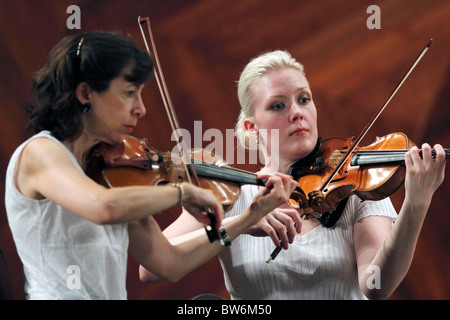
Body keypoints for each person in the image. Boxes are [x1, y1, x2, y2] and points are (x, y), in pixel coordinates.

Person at [4, 33, 298, 300]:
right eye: (129, 93)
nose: (141, 108)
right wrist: (183, 193)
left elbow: (169, 263)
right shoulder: (40, 153)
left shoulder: (112, 176)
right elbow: (103, 208)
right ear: (85, 94)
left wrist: (250, 216)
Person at [142, 50, 447, 299]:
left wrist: (416, 203)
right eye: (278, 105)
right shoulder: (231, 194)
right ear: (252, 127)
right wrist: (243, 222)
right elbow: (153, 268)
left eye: (304, 99)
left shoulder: (355, 186)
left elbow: (377, 287)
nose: (297, 112)